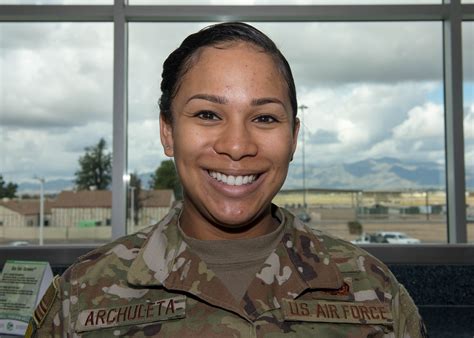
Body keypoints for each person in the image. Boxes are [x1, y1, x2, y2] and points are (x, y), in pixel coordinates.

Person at [27, 22, 427, 337]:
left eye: (265, 118)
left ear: (294, 138)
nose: (237, 146)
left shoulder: (371, 289)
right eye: (207, 115)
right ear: (168, 132)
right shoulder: (82, 295)